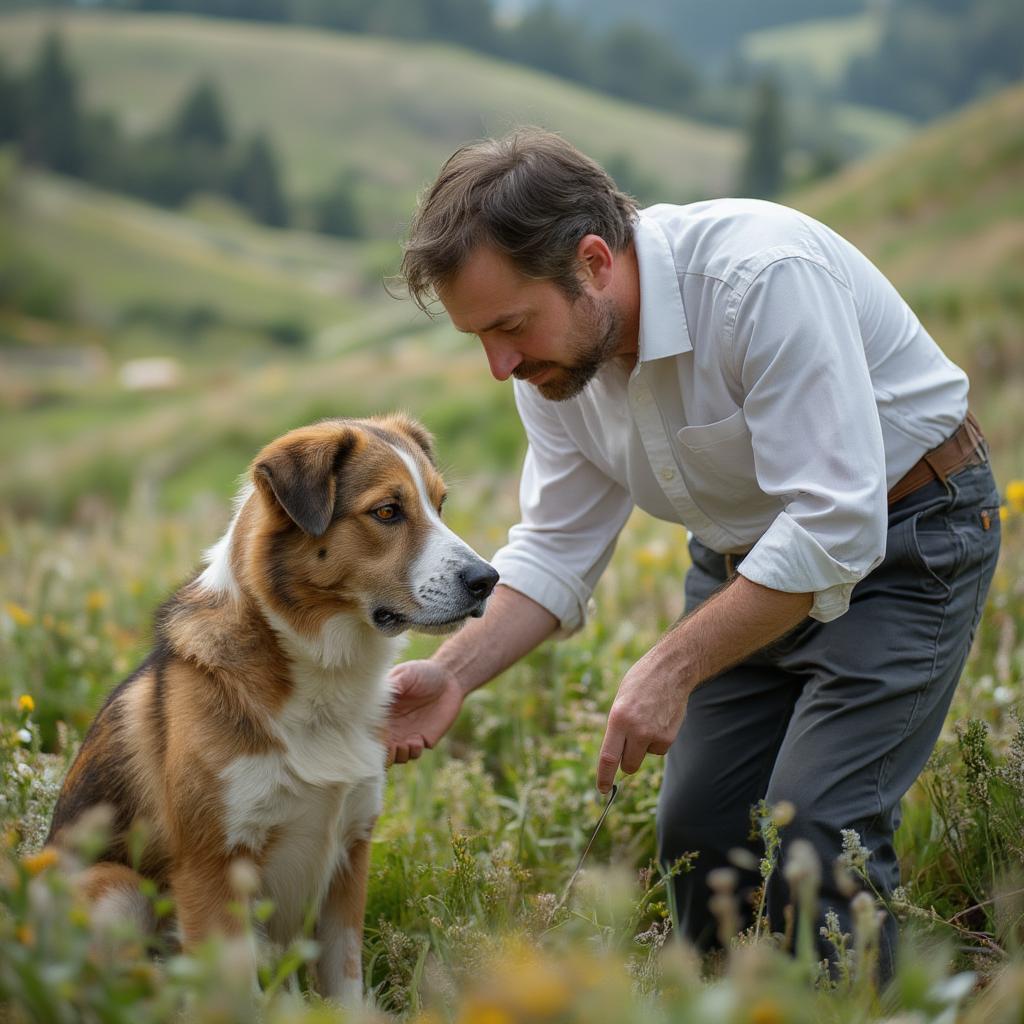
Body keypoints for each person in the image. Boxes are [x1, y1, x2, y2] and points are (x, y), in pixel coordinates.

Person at [385, 127, 1001, 972]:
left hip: (907, 540)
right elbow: (558, 548)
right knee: (699, 836)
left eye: (510, 326)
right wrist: (450, 675)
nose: (499, 365)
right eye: (479, 338)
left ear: (594, 262)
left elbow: (832, 525)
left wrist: (670, 668)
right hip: (741, 569)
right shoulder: (555, 363)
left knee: (819, 829)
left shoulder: (762, 279)